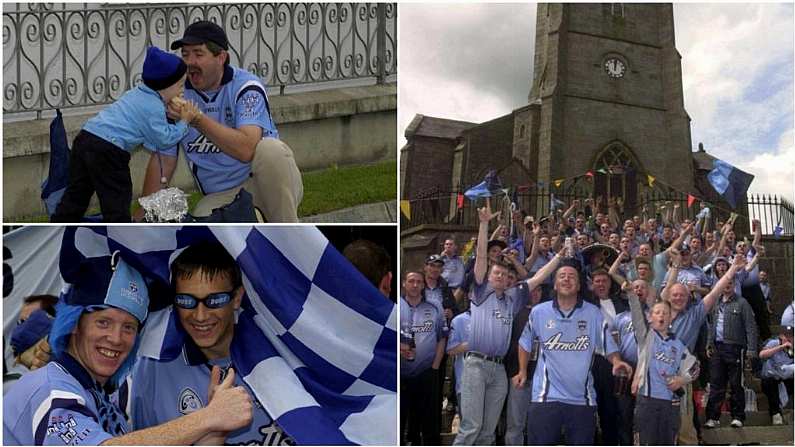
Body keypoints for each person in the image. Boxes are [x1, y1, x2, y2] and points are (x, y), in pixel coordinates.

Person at [3, 253, 252, 445]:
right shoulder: (50, 389)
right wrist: (206, 418)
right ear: (74, 324)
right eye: (103, 322)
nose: (116, 338)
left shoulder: (96, 396)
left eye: (129, 327)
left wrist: (213, 429)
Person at [138, 20, 303, 222]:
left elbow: (246, 149)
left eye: (198, 54)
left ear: (221, 57)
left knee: (271, 149)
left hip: (264, 183)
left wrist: (197, 119)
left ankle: (289, 237)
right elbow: (163, 160)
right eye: (185, 54)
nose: (189, 62)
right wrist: (139, 218)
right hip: (221, 195)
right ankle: (256, 220)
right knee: (203, 225)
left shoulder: (246, 87)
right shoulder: (176, 92)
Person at [128, 242, 291, 444]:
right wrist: (209, 422)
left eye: (215, 300)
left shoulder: (282, 351)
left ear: (237, 298)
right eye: (187, 301)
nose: (200, 315)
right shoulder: (153, 367)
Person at [53, 46, 200, 222]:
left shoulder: (137, 93)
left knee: (77, 193)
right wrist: (184, 121)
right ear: (165, 86)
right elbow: (164, 140)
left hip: (86, 137)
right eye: (180, 85)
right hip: (109, 150)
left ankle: (60, 226)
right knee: (116, 199)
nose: (181, 91)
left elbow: (146, 134)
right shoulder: (153, 106)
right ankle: (121, 235)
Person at [513, 258, 633, 445]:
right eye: (562, 276)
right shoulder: (539, 312)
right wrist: (522, 370)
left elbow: (608, 344)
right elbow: (525, 342)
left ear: (579, 286)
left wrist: (616, 361)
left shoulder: (593, 313)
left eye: (572, 277)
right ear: (555, 284)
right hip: (545, 398)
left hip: (582, 400)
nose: (567, 279)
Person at [626, 286, 700, 445]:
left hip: (670, 405)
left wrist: (682, 380)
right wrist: (631, 294)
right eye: (657, 312)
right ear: (650, 317)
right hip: (647, 401)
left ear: (670, 318)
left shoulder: (678, 345)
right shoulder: (646, 336)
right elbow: (637, 316)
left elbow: (695, 368)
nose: (661, 316)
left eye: (665, 313)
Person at [703, 274, 759, 429]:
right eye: (724, 283)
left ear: (734, 285)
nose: (727, 285)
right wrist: (709, 344)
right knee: (716, 383)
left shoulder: (742, 303)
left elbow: (750, 327)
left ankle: (738, 416)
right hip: (717, 348)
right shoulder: (716, 304)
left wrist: (751, 350)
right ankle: (712, 417)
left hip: (735, 348)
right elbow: (712, 326)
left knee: (736, 383)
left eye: (730, 283)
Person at [400, 271, 445, 446]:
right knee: (401, 417)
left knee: (429, 420)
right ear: (404, 283)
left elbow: (442, 337)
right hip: (400, 375)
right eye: (411, 281)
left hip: (427, 372)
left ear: (423, 285)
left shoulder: (434, 307)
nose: (415, 285)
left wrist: (435, 366)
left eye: (419, 282)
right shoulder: (395, 307)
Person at [758, 326, 794, 425]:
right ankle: (776, 413)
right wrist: (781, 347)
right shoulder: (774, 343)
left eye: (791, 337)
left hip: (787, 378)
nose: (788, 339)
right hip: (771, 378)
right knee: (770, 382)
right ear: (781, 336)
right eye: (785, 336)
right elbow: (762, 355)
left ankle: (789, 412)